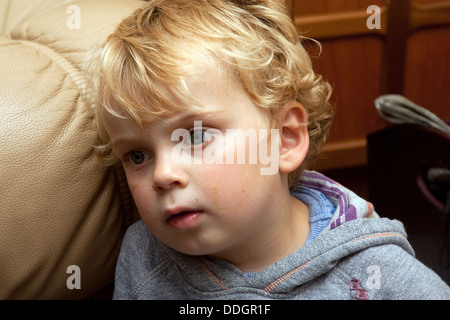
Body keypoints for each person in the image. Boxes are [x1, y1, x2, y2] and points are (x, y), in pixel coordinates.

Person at [88, 0, 450, 299]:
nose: (163, 175)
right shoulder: (142, 254)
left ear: (285, 138)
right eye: (138, 156)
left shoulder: (382, 277)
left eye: (196, 136)